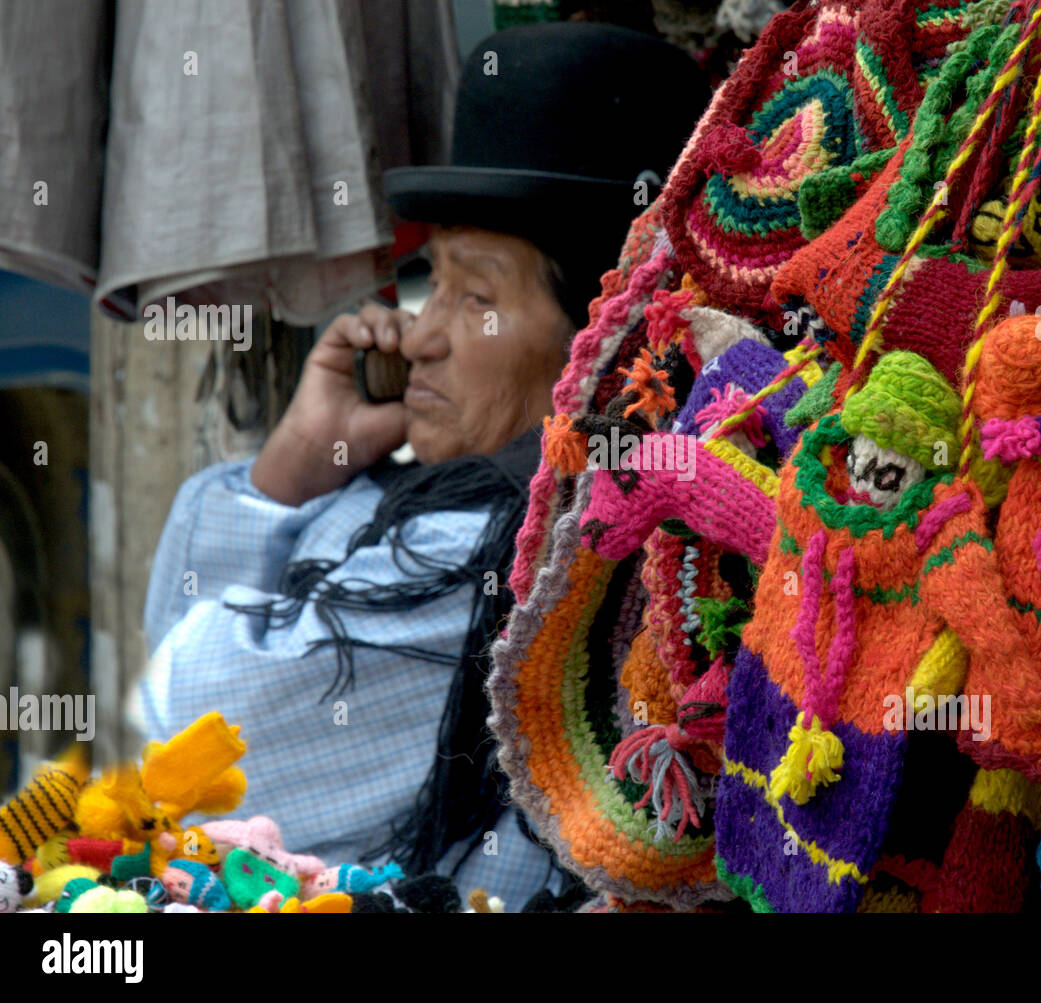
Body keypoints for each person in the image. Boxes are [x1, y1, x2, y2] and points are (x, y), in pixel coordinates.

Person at [130, 22, 709, 910]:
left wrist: (289, 490)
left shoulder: (506, 555)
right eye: (430, 283)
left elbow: (186, 710)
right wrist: (299, 463)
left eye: (475, 296)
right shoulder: (441, 501)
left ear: (599, 344)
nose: (421, 336)